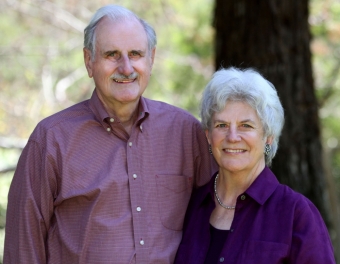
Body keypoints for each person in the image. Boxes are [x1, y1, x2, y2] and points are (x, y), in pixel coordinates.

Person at [3, 5, 216, 264]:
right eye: (112, 54)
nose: (126, 68)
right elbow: (23, 249)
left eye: (136, 54)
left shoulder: (185, 132)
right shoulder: (51, 140)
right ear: (88, 61)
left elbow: (223, 212)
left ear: (152, 58)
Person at [174, 67, 336, 264]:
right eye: (221, 125)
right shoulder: (191, 206)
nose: (232, 137)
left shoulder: (296, 214)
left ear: (268, 137)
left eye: (246, 126)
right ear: (208, 136)